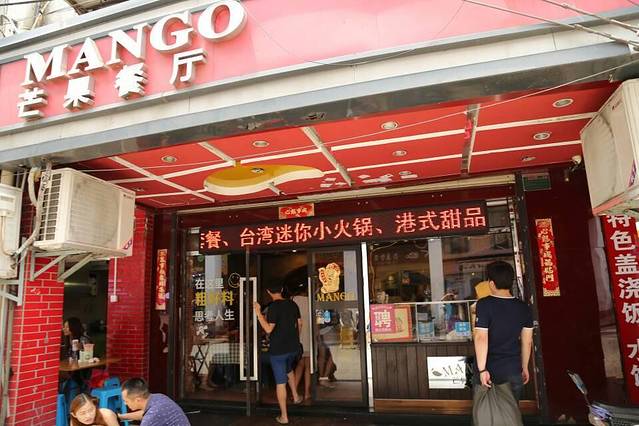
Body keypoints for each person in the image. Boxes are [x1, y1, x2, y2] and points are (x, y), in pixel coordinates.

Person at [473, 261, 534, 401]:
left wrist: (482, 370)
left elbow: (481, 337)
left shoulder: (484, 304)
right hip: (513, 369)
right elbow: (527, 341)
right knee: (511, 410)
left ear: (491, 283)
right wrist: (524, 367)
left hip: (489, 370)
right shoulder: (524, 307)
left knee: (486, 411)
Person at [254, 283, 303, 425]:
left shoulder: (273, 307)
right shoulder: (292, 304)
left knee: (280, 383)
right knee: (289, 369)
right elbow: (300, 323)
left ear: (268, 292)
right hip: (293, 348)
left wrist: (258, 313)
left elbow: (268, 329)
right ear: (281, 290)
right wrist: (295, 338)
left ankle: (284, 416)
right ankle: (296, 396)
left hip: (278, 351)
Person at [120, 377, 190, 426]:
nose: (125, 403)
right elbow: (144, 414)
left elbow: (150, 416)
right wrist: (121, 417)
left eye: (126, 401)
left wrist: (113, 421)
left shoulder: (151, 417)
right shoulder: (159, 397)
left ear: (137, 400)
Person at [291, 286, 311, 401]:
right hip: (309, 336)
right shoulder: (311, 300)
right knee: (308, 366)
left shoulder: (294, 300)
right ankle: (307, 393)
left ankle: (294, 392)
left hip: (298, 337)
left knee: (300, 365)